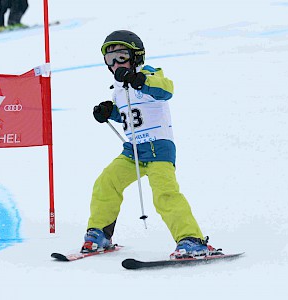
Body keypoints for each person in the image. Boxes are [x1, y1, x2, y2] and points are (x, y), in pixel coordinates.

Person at [82, 30, 216, 259]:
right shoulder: (118, 89)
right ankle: (100, 233)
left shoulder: (149, 75)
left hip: (159, 149)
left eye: (121, 56)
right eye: (110, 59)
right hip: (132, 151)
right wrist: (109, 112)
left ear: (136, 57)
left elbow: (166, 89)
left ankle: (191, 239)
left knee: (165, 194)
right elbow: (130, 116)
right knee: (106, 182)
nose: (115, 64)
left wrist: (142, 80)